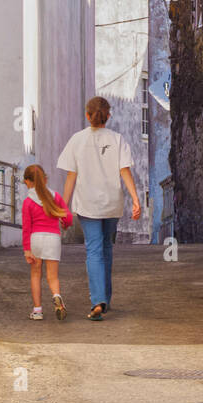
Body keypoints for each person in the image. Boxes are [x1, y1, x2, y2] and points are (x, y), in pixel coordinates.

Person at [57, 96, 141, 321]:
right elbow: (125, 171)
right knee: (106, 248)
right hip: (112, 204)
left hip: (87, 204)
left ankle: (98, 301)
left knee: (93, 250)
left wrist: (63, 207)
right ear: (108, 115)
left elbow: (71, 177)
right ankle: (105, 298)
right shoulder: (118, 139)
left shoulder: (77, 140)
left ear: (87, 115)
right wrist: (135, 199)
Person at [21, 163, 73, 321]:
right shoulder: (55, 196)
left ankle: (37, 311)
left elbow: (26, 228)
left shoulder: (28, 202)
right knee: (53, 277)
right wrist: (65, 224)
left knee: (36, 275)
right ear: (45, 179)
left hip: (36, 239)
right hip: (53, 239)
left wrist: (27, 249)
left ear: (26, 182)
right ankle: (57, 297)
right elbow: (68, 217)